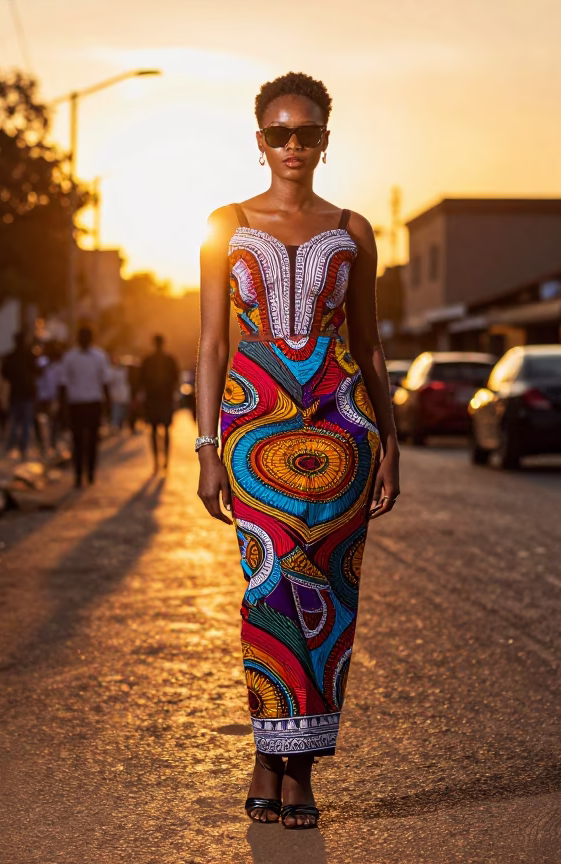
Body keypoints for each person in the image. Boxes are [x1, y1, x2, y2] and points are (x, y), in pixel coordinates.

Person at [195, 72, 400, 830]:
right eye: (278, 133)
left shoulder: (353, 229)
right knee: (269, 589)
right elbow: (212, 344)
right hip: (255, 435)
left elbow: (372, 348)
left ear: (323, 141)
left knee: (329, 600)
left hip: (343, 432)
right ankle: (265, 754)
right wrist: (205, 445)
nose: (292, 146)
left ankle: (301, 769)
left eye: (305, 134)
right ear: (259, 142)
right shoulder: (225, 224)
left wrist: (393, 444)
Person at [59, 326, 110, 487]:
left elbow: (105, 382)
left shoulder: (99, 357)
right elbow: (63, 384)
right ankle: (78, 474)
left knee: (93, 441)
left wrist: (106, 404)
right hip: (76, 404)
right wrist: (63, 407)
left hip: (93, 403)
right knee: (77, 441)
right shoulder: (70, 358)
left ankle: (90, 472)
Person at [138, 334, 180, 472]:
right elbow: (176, 379)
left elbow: (141, 381)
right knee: (163, 430)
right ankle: (162, 460)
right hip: (161, 399)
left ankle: (159, 460)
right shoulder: (168, 360)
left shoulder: (149, 360)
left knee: (156, 430)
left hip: (156, 400)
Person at [1, 331, 37, 460]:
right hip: (26, 393)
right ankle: (22, 449)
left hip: (16, 393)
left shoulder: (11, 357)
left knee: (15, 422)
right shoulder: (30, 356)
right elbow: (38, 371)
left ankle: (11, 447)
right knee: (24, 423)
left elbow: (4, 373)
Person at [107, 360, 132, 434]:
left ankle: (117, 425)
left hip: (120, 395)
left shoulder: (118, 372)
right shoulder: (118, 372)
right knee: (117, 411)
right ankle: (116, 425)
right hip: (119, 395)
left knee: (118, 411)